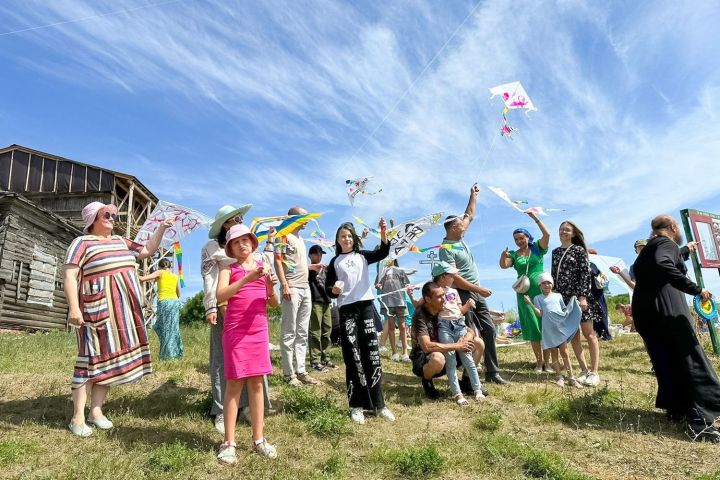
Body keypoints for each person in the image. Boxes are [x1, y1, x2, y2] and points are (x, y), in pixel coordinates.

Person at [64, 202, 172, 437]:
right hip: (95, 309)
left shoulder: (121, 241)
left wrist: (162, 228)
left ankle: (96, 411)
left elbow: (147, 251)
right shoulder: (81, 243)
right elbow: (70, 276)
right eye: (107, 214)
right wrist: (74, 308)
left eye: (114, 214)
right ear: (93, 218)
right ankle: (77, 417)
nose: (113, 217)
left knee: (109, 361)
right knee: (88, 360)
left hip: (122, 312)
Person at [632, 214, 720, 442]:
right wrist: (696, 289)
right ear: (673, 228)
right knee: (688, 359)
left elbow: (663, 260)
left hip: (648, 314)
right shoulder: (666, 244)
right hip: (666, 311)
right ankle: (700, 421)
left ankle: (678, 409)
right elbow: (665, 263)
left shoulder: (651, 247)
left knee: (666, 360)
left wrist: (685, 251)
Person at [202, 205, 273, 434]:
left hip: (251, 312)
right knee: (223, 361)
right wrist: (211, 306)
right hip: (224, 306)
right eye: (236, 218)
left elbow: (263, 274)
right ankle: (222, 410)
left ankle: (249, 408)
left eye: (242, 217)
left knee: (253, 365)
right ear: (225, 224)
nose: (241, 220)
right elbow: (209, 279)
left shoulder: (250, 249)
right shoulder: (212, 247)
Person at [216, 224, 279, 462]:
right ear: (230, 247)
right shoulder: (228, 269)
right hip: (235, 331)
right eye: (236, 241)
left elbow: (273, 303)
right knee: (234, 384)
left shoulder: (264, 269)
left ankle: (258, 439)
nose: (242, 244)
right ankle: (229, 442)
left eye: (246, 240)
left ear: (253, 243)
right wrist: (246, 279)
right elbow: (220, 296)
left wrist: (271, 287)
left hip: (258, 330)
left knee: (257, 384)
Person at [325, 220, 395, 425]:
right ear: (337, 241)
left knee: (372, 355)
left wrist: (383, 233)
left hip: (365, 308)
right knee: (352, 356)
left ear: (354, 239)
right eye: (342, 237)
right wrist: (334, 291)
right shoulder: (334, 262)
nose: (346, 239)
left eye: (349, 236)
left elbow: (383, 252)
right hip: (347, 310)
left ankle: (379, 405)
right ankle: (356, 405)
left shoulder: (362, 256)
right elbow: (329, 288)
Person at [439, 183, 509, 385]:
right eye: (462, 225)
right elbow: (454, 278)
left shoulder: (459, 237)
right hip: (463, 294)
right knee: (468, 333)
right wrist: (478, 289)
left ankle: (493, 372)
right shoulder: (446, 249)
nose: (465, 226)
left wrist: (473, 195)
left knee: (489, 329)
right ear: (453, 228)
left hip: (476, 293)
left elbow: (469, 213)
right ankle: (467, 376)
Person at [409, 282, 484, 399]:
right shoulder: (420, 315)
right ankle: (427, 381)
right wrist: (457, 346)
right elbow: (426, 347)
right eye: (439, 297)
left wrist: (466, 339)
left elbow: (469, 330)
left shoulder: (444, 310)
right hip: (424, 358)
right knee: (438, 358)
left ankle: (467, 381)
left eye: (443, 295)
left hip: (450, 352)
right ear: (428, 299)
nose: (444, 299)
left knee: (478, 343)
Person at [551, 221, 602, 387]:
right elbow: (554, 277)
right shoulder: (555, 252)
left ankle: (594, 372)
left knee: (589, 334)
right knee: (573, 336)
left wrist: (582, 297)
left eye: (567, 230)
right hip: (563, 298)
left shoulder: (579, 250)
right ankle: (583, 370)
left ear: (573, 233)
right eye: (561, 229)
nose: (564, 232)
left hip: (579, 298)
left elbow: (585, 275)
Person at [499, 210, 550, 372]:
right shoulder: (514, 254)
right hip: (524, 293)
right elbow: (504, 265)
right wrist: (503, 255)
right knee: (534, 327)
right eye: (516, 239)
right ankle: (539, 362)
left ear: (528, 237)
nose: (519, 241)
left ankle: (548, 363)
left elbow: (547, 234)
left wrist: (534, 217)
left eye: (521, 238)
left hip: (543, 291)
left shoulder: (537, 248)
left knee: (545, 326)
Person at [275, 206, 320, 387]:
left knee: (302, 332)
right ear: (293, 218)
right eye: (304, 216)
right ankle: (289, 374)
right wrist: (284, 284)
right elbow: (278, 261)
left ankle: (301, 371)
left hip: (305, 288)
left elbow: (293, 263)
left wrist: (311, 268)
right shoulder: (282, 235)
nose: (307, 219)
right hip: (291, 288)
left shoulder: (301, 239)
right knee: (289, 332)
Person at [431, 262, 485, 405]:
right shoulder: (434, 291)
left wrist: (467, 306)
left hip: (459, 324)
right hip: (444, 325)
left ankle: (477, 389)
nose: (454, 277)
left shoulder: (454, 292)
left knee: (467, 357)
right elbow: (426, 307)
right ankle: (457, 393)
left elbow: (459, 310)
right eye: (451, 275)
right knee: (451, 360)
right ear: (443, 277)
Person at [524, 273, 583, 388]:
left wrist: (573, 304)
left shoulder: (558, 296)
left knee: (565, 352)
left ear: (552, 284)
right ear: (540, 286)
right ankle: (559, 376)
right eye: (544, 283)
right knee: (553, 353)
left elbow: (563, 310)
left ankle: (571, 377)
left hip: (559, 327)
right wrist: (530, 303)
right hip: (548, 329)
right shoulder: (538, 298)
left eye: (549, 283)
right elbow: (540, 314)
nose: (546, 285)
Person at [139, 258, 183, 359]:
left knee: (164, 328)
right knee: (173, 328)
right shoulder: (175, 276)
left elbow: (142, 279)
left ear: (160, 266)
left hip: (165, 302)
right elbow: (179, 294)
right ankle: (176, 353)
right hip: (175, 302)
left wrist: (131, 273)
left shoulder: (160, 272)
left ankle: (168, 355)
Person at [376, 259, 411, 362]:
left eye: (390, 258)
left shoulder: (400, 271)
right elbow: (378, 284)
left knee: (403, 327)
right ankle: (394, 353)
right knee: (391, 327)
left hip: (400, 302)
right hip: (388, 304)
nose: (388, 260)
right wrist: (379, 286)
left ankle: (405, 353)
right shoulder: (382, 272)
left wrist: (410, 288)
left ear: (395, 259)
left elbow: (406, 284)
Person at [308, 244, 336, 372]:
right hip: (314, 301)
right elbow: (296, 269)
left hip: (326, 302)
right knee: (315, 331)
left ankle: (326, 358)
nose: (319, 255)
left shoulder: (326, 268)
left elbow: (336, 270)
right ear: (310, 255)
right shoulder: (308, 269)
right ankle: (315, 360)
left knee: (327, 330)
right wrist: (313, 267)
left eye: (320, 253)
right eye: (316, 253)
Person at [589, 260, 612, 341]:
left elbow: (595, 273)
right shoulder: (589, 264)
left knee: (601, 312)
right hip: (591, 293)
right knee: (594, 315)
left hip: (597, 293)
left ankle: (605, 334)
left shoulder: (594, 264)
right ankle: (599, 333)